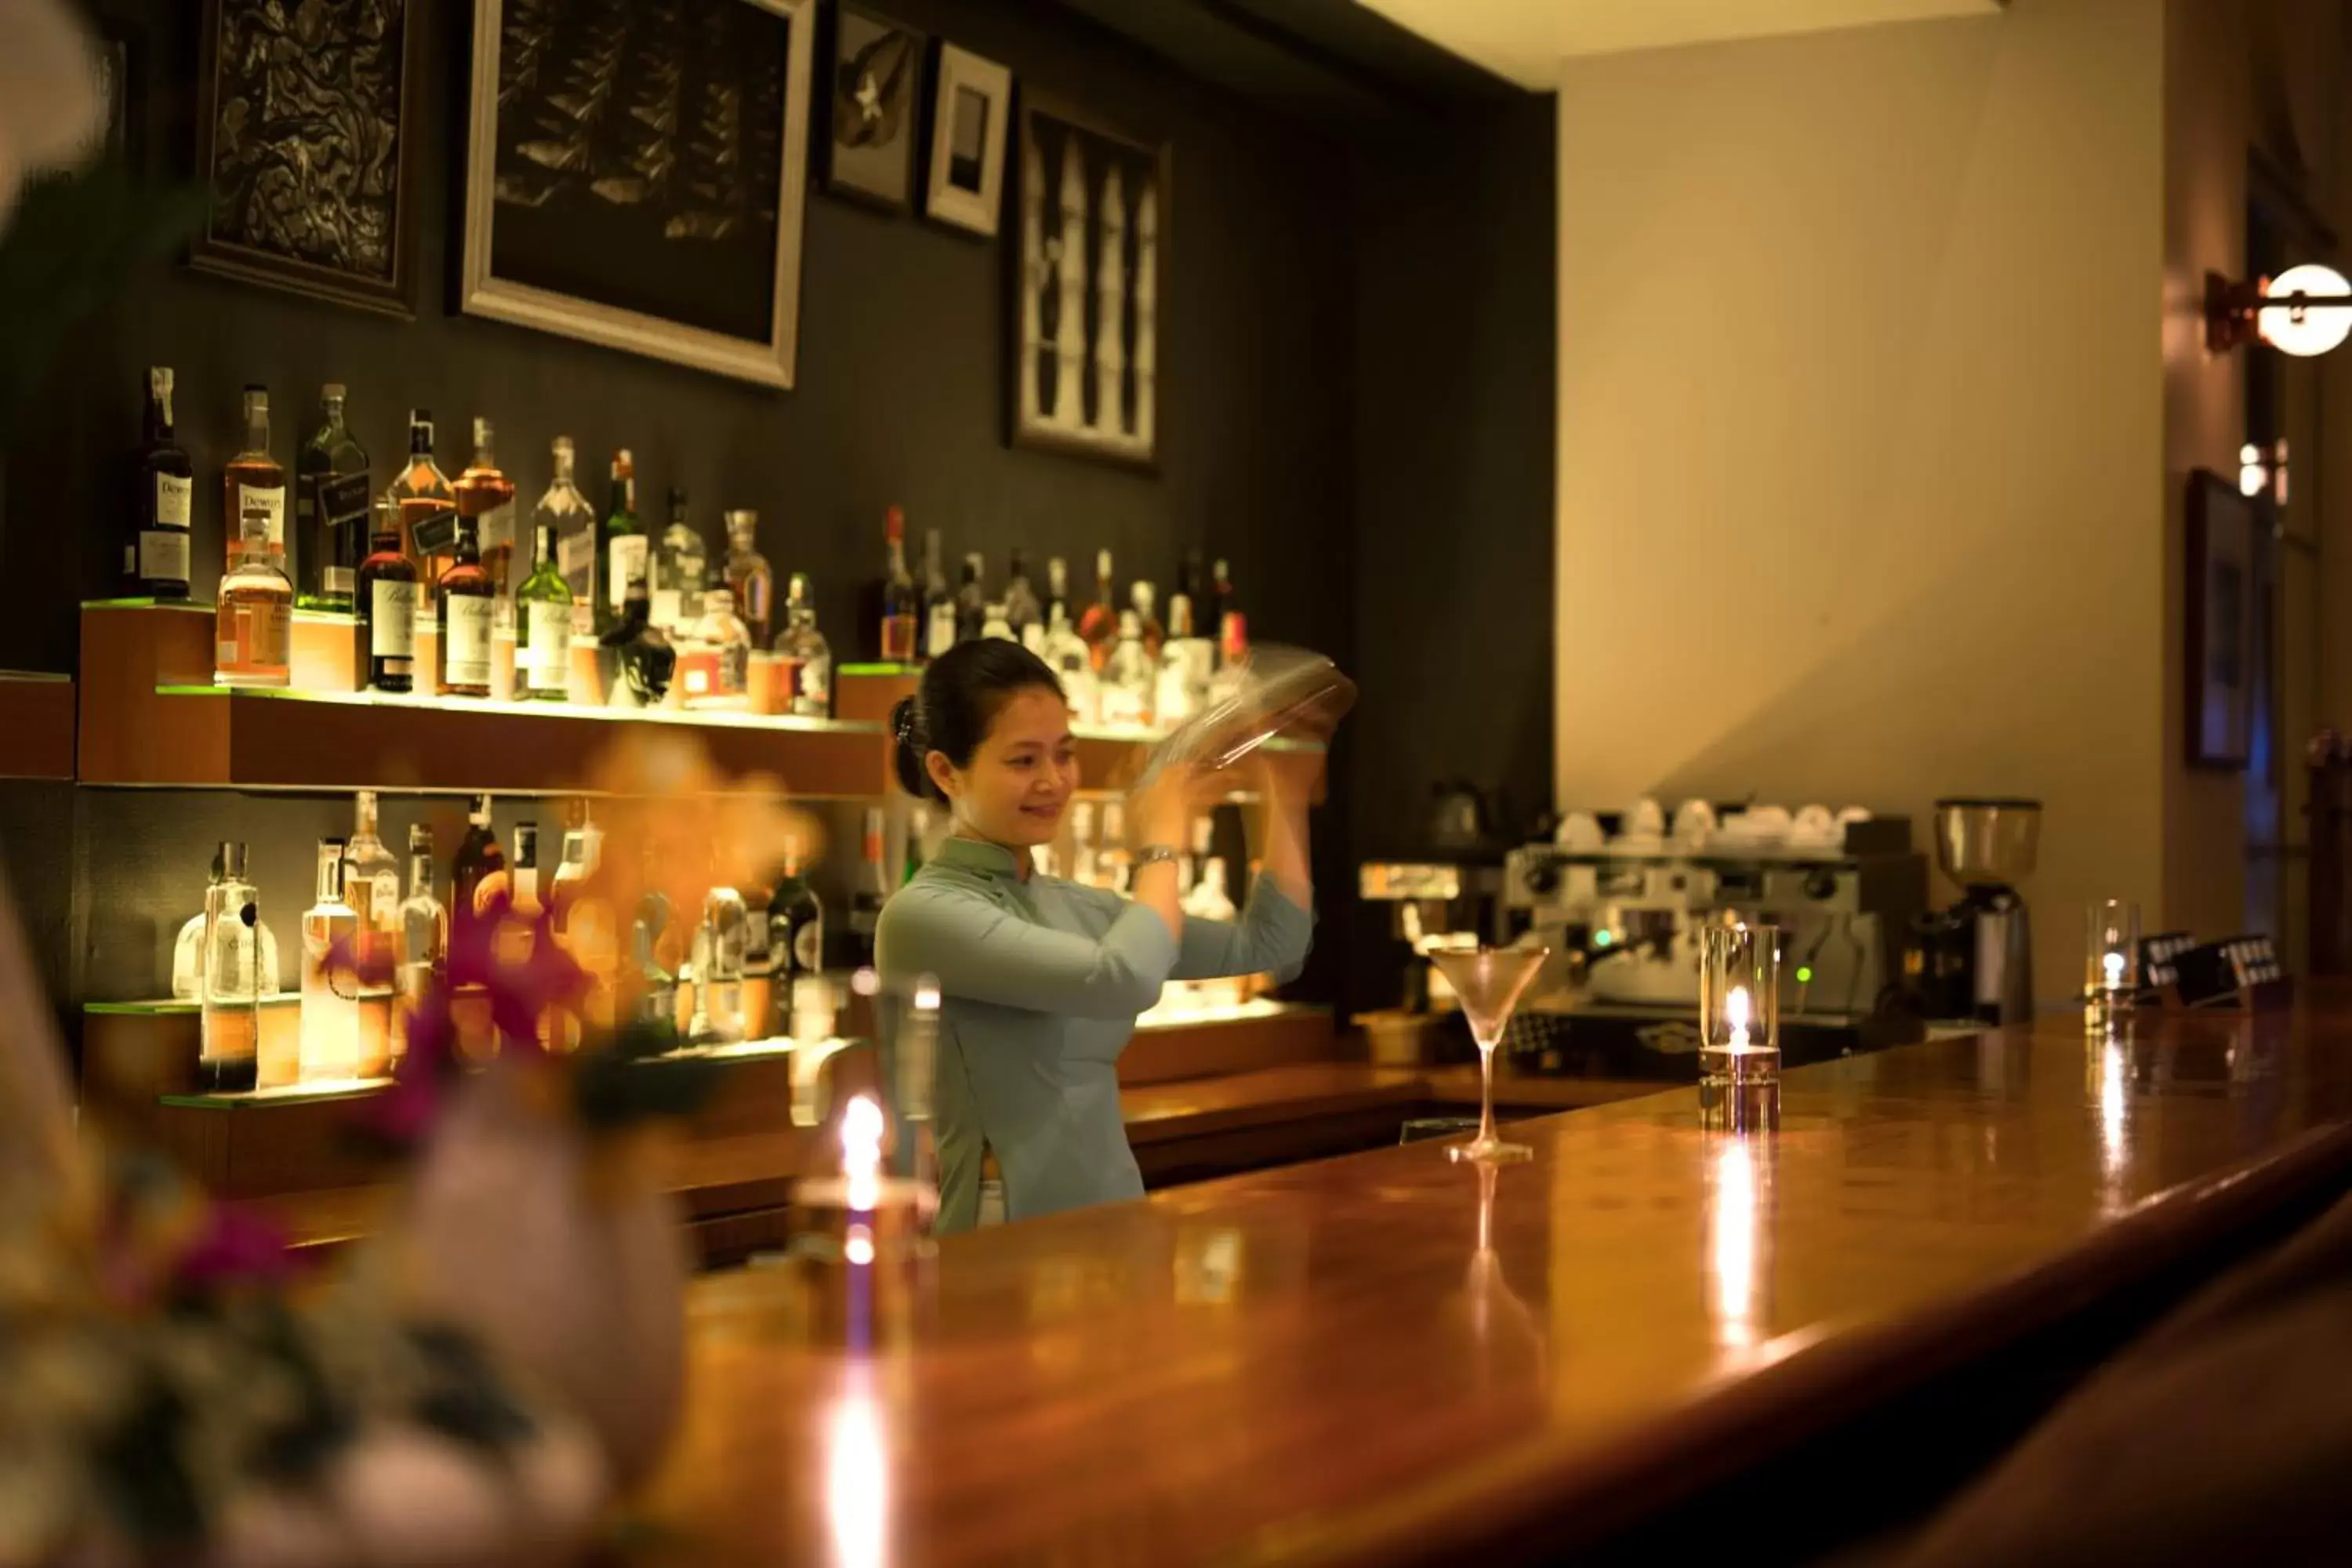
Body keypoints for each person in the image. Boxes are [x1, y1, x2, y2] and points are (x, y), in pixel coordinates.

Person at [876, 639, 1315, 1233]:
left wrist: (1278, 792)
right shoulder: (921, 916)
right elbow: (1122, 978)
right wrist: (1161, 844)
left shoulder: (1072, 903)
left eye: (1064, 755)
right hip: (1003, 1238)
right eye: (1023, 761)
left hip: (1114, 1222)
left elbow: (1272, 945)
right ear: (945, 771)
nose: (1054, 781)